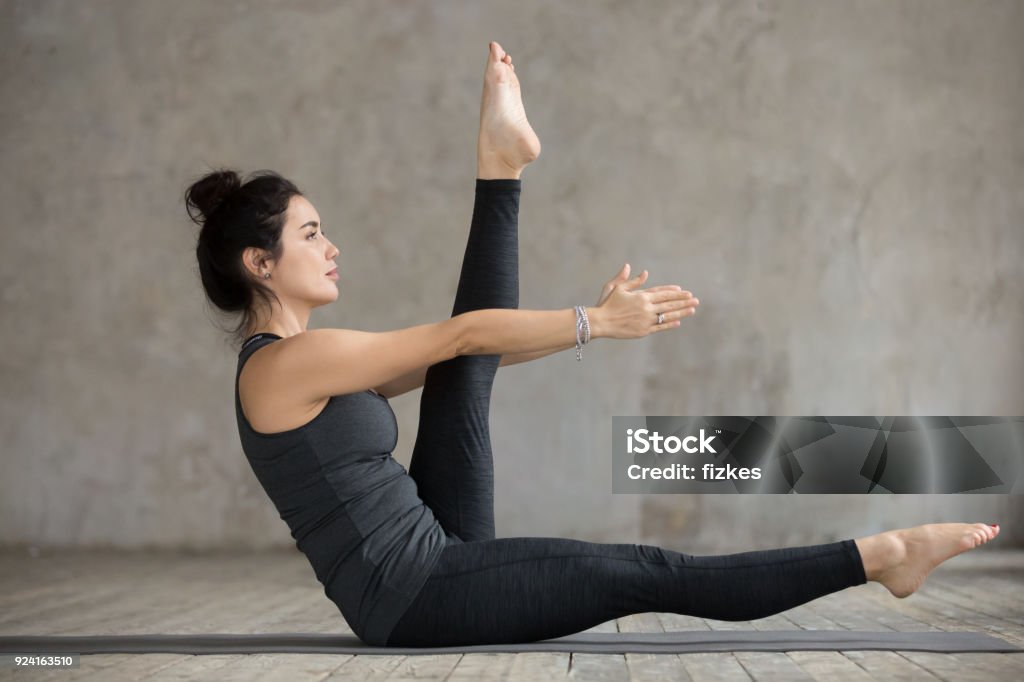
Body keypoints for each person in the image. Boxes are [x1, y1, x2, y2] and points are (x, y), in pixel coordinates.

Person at [183, 41, 1000, 647]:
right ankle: (881, 555)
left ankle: (500, 166)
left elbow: (471, 355)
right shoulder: (289, 365)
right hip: (411, 595)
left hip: (437, 547)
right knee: (642, 572)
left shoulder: (306, 361)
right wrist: (592, 322)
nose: (331, 248)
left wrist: (587, 334)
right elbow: (464, 329)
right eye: (311, 235)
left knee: (460, 372)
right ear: (261, 264)